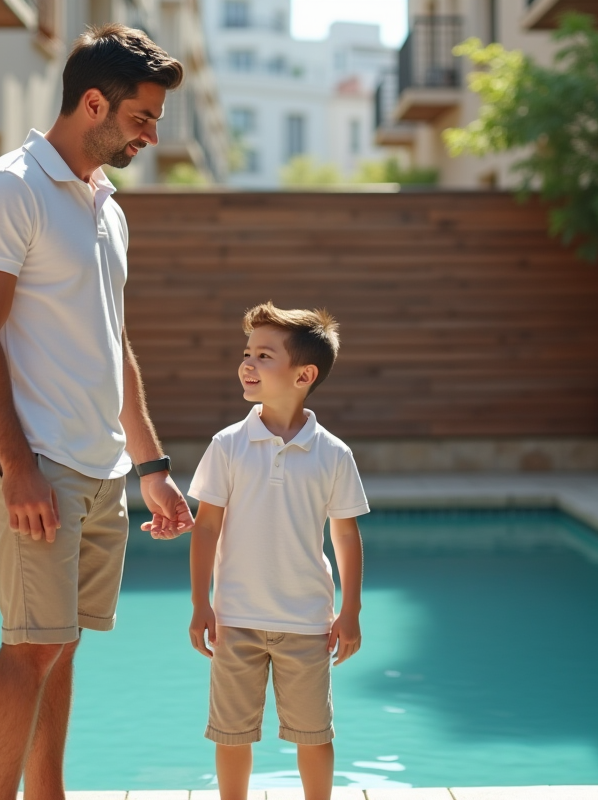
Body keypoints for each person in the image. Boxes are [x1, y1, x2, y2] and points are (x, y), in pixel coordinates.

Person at [0, 24, 194, 800]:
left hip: (98, 467)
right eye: (142, 118)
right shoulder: (9, 188)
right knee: (31, 646)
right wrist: (17, 467)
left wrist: (150, 467)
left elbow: (113, 345)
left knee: (62, 646)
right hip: (36, 463)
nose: (152, 135)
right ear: (94, 102)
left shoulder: (105, 207)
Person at [182, 302, 368, 800]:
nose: (247, 363)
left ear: (304, 374)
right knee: (231, 734)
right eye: (247, 352)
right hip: (236, 618)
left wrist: (349, 611)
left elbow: (345, 535)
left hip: (307, 623)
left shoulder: (333, 454)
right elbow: (206, 529)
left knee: (315, 733)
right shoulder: (227, 445)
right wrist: (202, 603)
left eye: (264, 355)